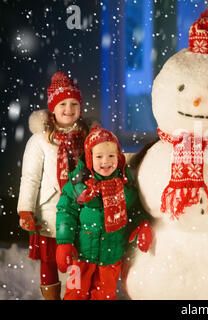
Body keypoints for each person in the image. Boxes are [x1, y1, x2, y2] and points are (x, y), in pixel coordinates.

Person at [55, 127, 152, 300]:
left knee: (104, 295)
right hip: (80, 256)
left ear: (119, 158)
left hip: (111, 257)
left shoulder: (124, 187)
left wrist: (142, 224)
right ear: (89, 157)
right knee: (75, 293)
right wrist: (64, 242)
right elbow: (65, 213)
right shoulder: (78, 187)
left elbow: (135, 209)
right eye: (99, 156)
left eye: (111, 156)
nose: (106, 161)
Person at [17, 71, 89, 299]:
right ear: (52, 108)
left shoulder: (87, 135)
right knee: (49, 261)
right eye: (63, 104)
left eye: (74, 103)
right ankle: (51, 296)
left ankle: (75, 293)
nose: (69, 109)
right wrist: (25, 209)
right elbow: (30, 177)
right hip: (50, 209)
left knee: (77, 256)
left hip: (79, 208)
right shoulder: (40, 140)